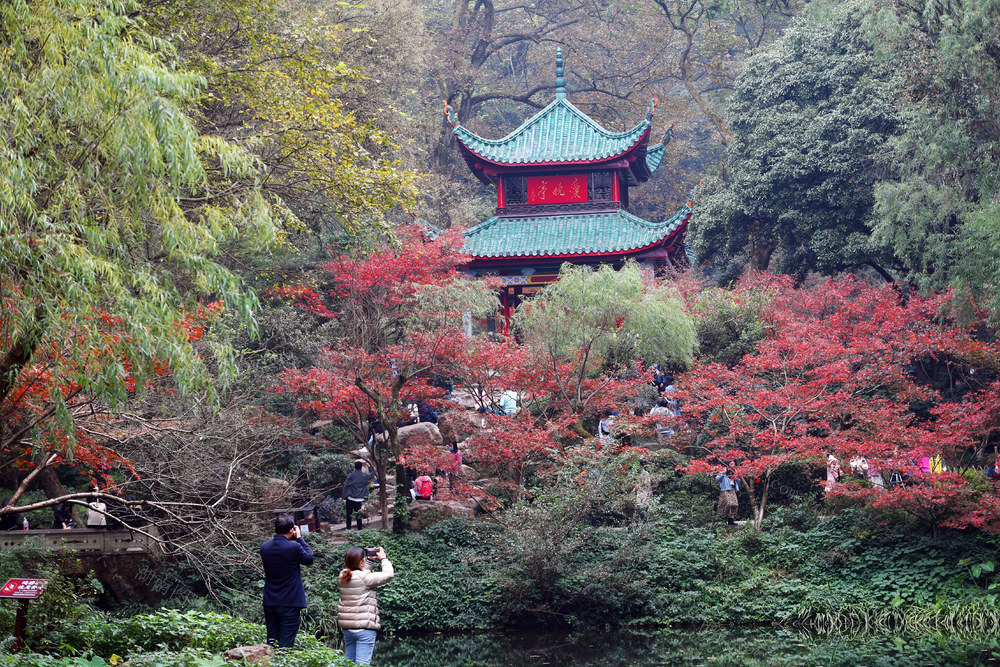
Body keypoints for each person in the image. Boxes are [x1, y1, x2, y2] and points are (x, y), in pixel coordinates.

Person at [260, 513, 314, 648]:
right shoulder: (293, 547)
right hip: (290, 602)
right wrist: (300, 538)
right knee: (286, 645)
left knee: (272, 642)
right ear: (292, 530)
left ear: (275, 529)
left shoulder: (264, 548)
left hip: (270, 601)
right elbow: (309, 559)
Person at [338, 546, 394, 665]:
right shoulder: (364, 578)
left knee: (348, 662)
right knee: (362, 664)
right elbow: (389, 574)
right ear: (361, 562)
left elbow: (361, 576)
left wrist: (369, 561)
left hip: (348, 628)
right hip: (364, 628)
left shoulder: (343, 575)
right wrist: (384, 559)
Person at [342, 461, 376, 531]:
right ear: (361, 467)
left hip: (350, 498)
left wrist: (344, 498)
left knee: (349, 515)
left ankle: (348, 529)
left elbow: (346, 486)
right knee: (359, 515)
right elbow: (373, 474)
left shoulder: (350, 475)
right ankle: (360, 530)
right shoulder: (364, 475)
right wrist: (369, 466)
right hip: (359, 499)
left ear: (354, 467)